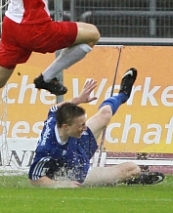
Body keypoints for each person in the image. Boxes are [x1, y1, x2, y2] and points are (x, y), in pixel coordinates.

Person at [28, 68, 165, 188]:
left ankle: (123, 94)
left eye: (84, 124)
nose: (85, 128)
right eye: (81, 125)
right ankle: (131, 177)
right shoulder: (47, 149)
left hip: (76, 144)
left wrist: (78, 100)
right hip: (75, 171)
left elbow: (54, 108)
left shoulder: (56, 118)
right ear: (66, 127)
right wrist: (62, 184)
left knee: (105, 114)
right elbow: (34, 179)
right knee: (132, 168)